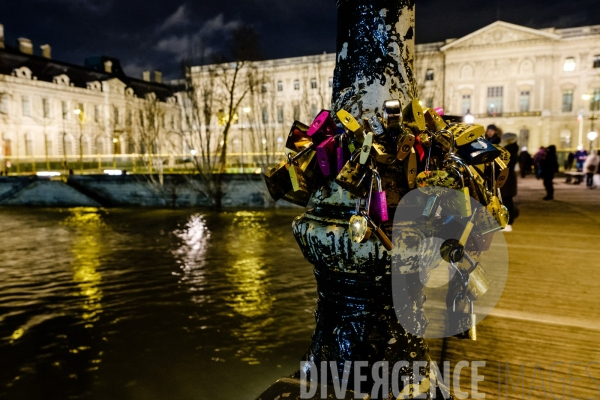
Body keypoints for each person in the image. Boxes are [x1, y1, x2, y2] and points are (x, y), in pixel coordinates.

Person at [501, 133, 520, 231]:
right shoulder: (513, 148)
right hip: (509, 177)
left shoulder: (509, 150)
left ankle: (509, 222)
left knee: (507, 200)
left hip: (507, 177)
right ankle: (507, 221)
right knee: (507, 200)